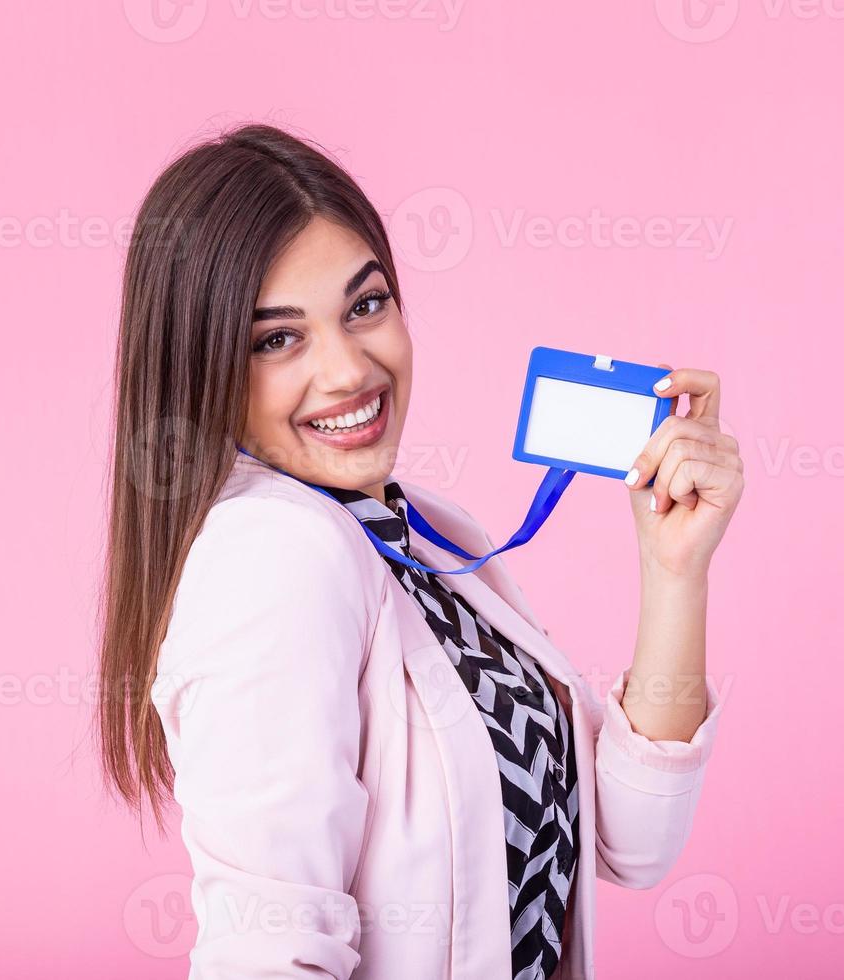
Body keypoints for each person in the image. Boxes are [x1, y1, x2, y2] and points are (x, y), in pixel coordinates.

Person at [95, 123, 745, 979]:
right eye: (276, 339)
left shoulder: (431, 534)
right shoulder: (275, 555)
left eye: (365, 305)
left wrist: (674, 570)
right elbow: (269, 948)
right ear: (201, 367)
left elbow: (633, 842)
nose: (347, 370)